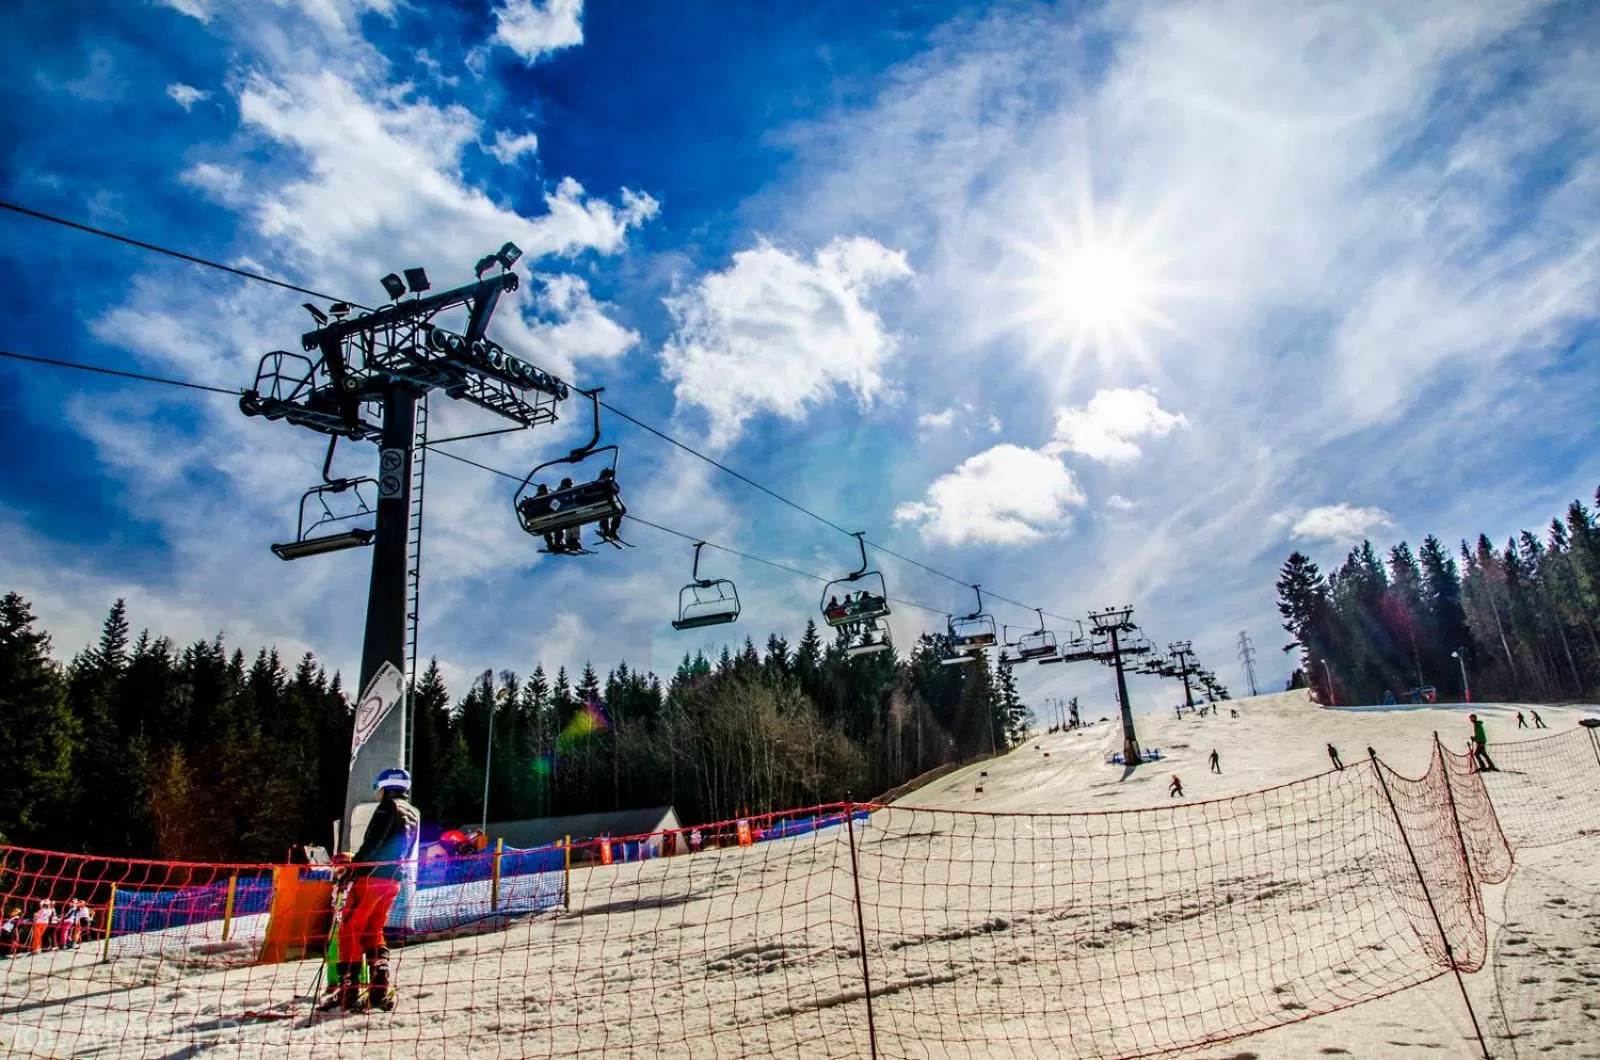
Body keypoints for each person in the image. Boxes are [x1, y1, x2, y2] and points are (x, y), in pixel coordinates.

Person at [325, 767, 420, 1013]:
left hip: (371, 878)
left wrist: (353, 868)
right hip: (393, 879)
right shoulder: (412, 812)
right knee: (373, 929)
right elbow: (408, 849)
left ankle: (349, 990)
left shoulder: (387, 807)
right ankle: (379, 984)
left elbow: (373, 842)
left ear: (384, 787)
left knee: (350, 929)